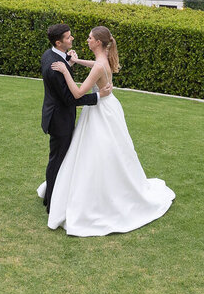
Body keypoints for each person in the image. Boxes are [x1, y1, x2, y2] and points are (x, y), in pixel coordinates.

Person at [40, 25, 175, 236]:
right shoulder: (104, 60)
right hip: (109, 107)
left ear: (98, 43)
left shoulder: (99, 66)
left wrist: (66, 70)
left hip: (101, 108)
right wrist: (74, 61)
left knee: (98, 153)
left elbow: (76, 94)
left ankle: (100, 196)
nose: (86, 40)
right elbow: (95, 65)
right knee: (110, 151)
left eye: (90, 38)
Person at [40, 23, 108, 211]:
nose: (72, 39)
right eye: (68, 37)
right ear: (58, 42)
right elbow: (71, 98)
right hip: (59, 120)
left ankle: (51, 196)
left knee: (58, 159)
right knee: (58, 160)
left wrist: (69, 65)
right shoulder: (55, 67)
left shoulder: (52, 55)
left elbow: (62, 84)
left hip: (56, 114)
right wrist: (97, 96)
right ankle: (52, 203)